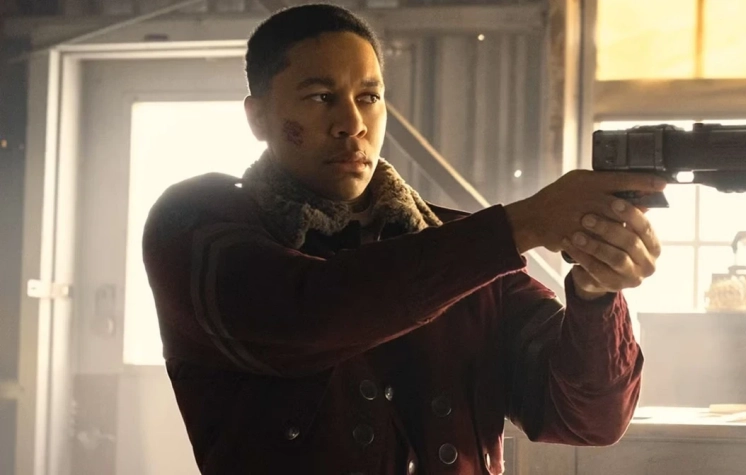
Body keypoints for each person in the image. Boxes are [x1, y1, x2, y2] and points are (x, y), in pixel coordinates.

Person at [142, 3, 664, 474]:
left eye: (369, 97)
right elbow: (306, 312)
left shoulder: (466, 248)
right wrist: (525, 223)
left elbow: (589, 420)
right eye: (321, 97)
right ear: (258, 117)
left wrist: (596, 291)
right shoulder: (195, 224)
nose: (352, 123)